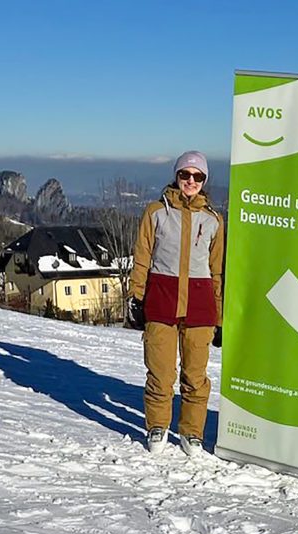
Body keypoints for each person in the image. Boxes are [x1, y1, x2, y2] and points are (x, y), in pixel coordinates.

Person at [129, 151, 224, 458]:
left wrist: (219, 316)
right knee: (160, 372)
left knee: (195, 376)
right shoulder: (156, 212)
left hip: (199, 307)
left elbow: (217, 270)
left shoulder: (212, 220)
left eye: (198, 176)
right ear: (176, 176)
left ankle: (192, 432)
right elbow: (142, 256)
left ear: (204, 180)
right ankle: (157, 425)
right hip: (161, 301)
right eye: (186, 175)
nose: (191, 181)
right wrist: (136, 296)